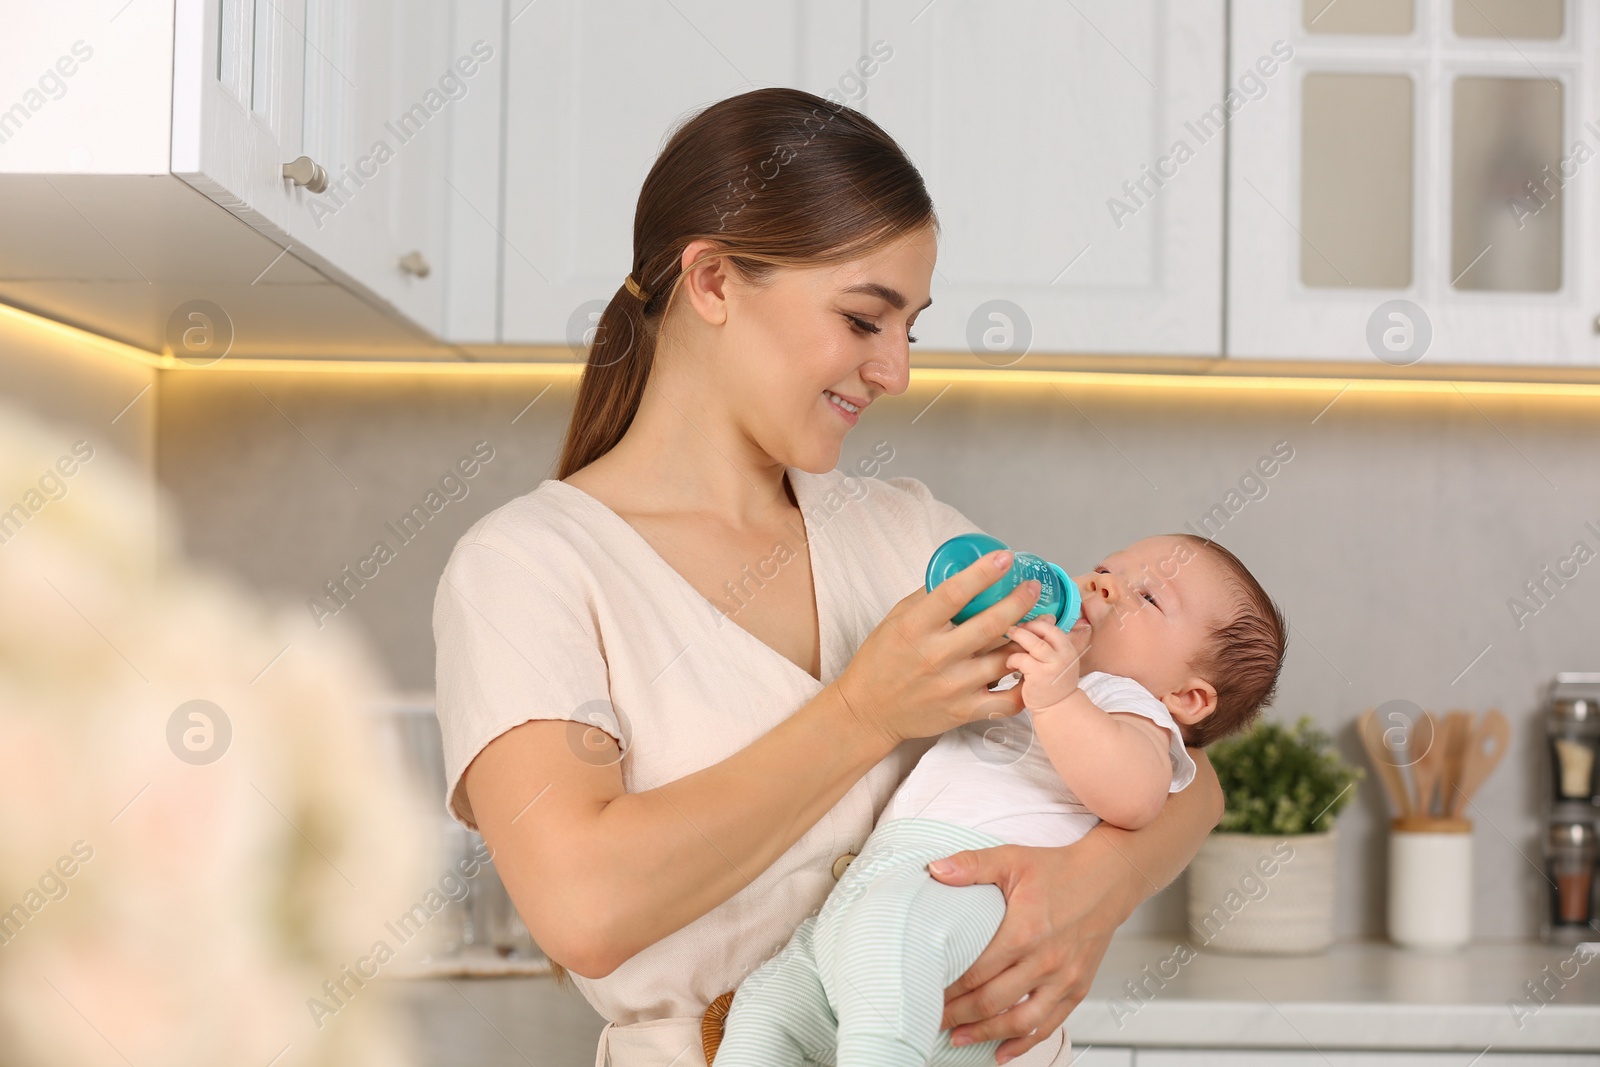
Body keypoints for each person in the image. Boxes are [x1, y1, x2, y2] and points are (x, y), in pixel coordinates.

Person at [431, 86, 1225, 1067]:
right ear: (714, 281)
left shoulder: (911, 534)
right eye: (862, 319)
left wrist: (1091, 892)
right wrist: (863, 711)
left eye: (909, 330)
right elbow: (586, 904)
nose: (893, 369)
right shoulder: (531, 568)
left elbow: (1179, 769)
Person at [711, 534, 1288, 1066]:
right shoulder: (1030, 666)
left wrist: (1060, 698)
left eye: (1148, 597)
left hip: (973, 895)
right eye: (1108, 568)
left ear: (1186, 698)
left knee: (887, 938)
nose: (1104, 582)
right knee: (768, 1005)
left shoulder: (1132, 709)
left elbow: (1136, 798)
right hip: (876, 884)